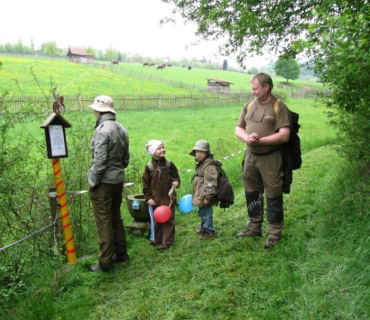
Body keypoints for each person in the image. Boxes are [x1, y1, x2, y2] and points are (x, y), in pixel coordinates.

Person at [235, 73, 291, 248]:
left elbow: (285, 135)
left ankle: (274, 233)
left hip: (271, 157)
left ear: (266, 87)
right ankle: (254, 227)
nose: (253, 92)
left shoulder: (279, 107)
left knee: (273, 194)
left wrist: (261, 141)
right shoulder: (249, 105)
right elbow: (238, 127)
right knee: (252, 193)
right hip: (251, 156)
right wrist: (246, 138)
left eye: (255, 88)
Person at [88, 95, 130, 272]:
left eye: (94, 110)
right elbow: (126, 159)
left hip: (104, 182)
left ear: (99, 111)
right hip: (118, 180)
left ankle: (105, 263)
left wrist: (93, 182)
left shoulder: (102, 130)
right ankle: (121, 255)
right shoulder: (122, 129)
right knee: (115, 216)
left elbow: (99, 162)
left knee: (103, 221)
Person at [142, 140, 180, 250]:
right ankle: (158, 238)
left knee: (169, 219)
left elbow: (176, 176)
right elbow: (145, 185)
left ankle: (167, 242)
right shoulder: (148, 167)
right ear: (153, 151)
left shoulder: (169, 164)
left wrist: (176, 182)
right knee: (158, 219)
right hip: (156, 199)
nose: (162, 150)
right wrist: (148, 198)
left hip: (169, 199)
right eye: (159, 148)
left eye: (162, 147)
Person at [190, 140, 221, 240]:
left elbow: (211, 183)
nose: (198, 154)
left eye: (201, 152)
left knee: (207, 213)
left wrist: (208, 197)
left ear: (207, 152)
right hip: (201, 194)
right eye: (197, 151)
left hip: (206, 195)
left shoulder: (209, 166)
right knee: (202, 211)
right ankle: (203, 227)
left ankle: (210, 231)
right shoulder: (202, 163)